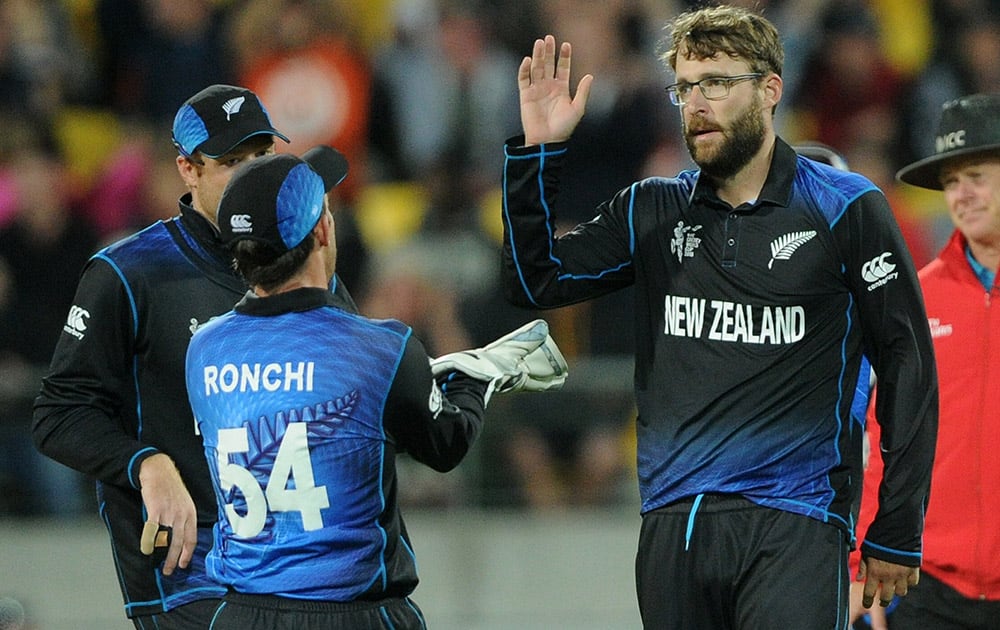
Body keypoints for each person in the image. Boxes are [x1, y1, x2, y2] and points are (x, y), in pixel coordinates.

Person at [501, 5, 939, 628]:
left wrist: (896, 523)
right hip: (674, 521)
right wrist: (537, 158)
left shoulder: (846, 208)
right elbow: (533, 280)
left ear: (769, 90)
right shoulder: (652, 209)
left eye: (717, 83)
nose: (696, 104)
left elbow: (907, 361)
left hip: (797, 516)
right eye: (684, 87)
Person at [184, 148, 567, 627]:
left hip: (239, 611)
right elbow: (446, 444)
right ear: (323, 230)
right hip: (352, 611)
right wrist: (472, 380)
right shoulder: (378, 349)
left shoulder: (204, 348)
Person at [31, 84, 356, 628]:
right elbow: (58, 413)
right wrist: (147, 464)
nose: (252, 174)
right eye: (232, 161)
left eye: (262, 157)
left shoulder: (303, 260)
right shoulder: (128, 274)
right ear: (188, 169)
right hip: (188, 572)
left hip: (297, 565)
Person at [849, 92, 1000, 630]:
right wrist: (859, 566)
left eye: (976, 175)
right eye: (952, 182)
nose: (962, 194)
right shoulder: (916, 297)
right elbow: (880, 437)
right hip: (927, 588)